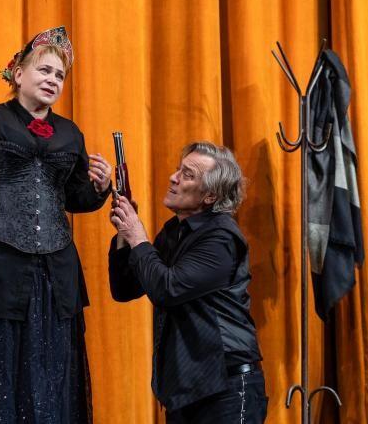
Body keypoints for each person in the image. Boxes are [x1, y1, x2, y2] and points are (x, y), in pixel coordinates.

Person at [0, 26, 111, 423]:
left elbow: (76, 198)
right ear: (18, 74)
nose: (52, 80)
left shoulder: (70, 133)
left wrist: (100, 187)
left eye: (59, 75)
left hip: (52, 271)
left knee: (47, 365)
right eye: (44, 70)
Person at [108, 142, 267, 423]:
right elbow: (125, 289)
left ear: (210, 195)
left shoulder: (220, 238)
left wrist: (138, 237)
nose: (173, 178)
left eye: (188, 175)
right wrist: (124, 234)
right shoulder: (174, 231)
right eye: (178, 170)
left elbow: (167, 289)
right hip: (186, 388)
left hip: (226, 388)